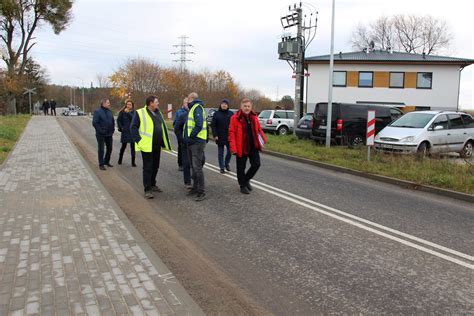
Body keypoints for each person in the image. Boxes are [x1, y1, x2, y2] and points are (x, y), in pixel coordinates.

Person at [131, 95, 172, 199]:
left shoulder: (158, 113)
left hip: (157, 145)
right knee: (148, 168)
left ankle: (153, 184)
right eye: (156, 102)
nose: (158, 103)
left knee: (155, 166)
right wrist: (138, 140)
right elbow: (133, 127)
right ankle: (147, 189)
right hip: (146, 146)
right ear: (151, 103)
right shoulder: (140, 112)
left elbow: (161, 127)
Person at [228, 98, 266, 194]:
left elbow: (258, 130)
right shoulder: (235, 118)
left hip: (253, 146)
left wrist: (262, 142)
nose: (247, 108)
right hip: (241, 147)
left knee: (256, 164)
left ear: (251, 107)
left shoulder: (254, 116)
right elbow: (231, 134)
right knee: (241, 168)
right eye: (245, 106)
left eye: (248, 106)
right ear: (241, 107)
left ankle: (246, 179)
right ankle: (242, 185)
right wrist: (233, 148)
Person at [184, 92, 207, 202]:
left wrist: (191, 136)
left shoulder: (197, 107)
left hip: (196, 142)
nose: (187, 101)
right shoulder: (193, 108)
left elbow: (199, 124)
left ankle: (201, 191)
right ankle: (195, 187)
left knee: (197, 167)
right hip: (192, 142)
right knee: (193, 166)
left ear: (191, 99)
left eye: (188, 99)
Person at [211, 98, 234, 173]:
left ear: (228, 106)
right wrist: (215, 135)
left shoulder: (231, 114)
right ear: (220, 105)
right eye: (223, 104)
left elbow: (234, 125)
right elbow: (213, 125)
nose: (224, 105)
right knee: (220, 152)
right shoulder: (216, 114)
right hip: (219, 136)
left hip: (229, 136)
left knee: (230, 151)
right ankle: (221, 167)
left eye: (226, 104)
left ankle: (226, 163)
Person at [174, 98, 192, 190]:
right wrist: (181, 139)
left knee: (199, 161)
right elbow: (176, 127)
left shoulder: (197, 115)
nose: (188, 104)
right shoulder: (181, 114)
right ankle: (187, 181)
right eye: (187, 103)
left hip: (196, 144)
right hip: (184, 142)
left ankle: (195, 177)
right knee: (186, 162)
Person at [92, 99, 115, 170]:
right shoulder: (97, 112)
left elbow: (112, 121)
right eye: (108, 103)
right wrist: (101, 131)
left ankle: (106, 161)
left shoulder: (110, 111)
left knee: (110, 148)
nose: (109, 104)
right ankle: (101, 164)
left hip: (109, 134)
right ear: (103, 103)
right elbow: (95, 123)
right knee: (101, 149)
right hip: (101, 134)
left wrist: (113, 129)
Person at [117, 99, 136, 167]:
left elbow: (134, 119)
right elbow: (119, 120)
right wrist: (121, 127)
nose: (128, 106)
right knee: (123, 147)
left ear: (132, 105)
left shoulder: (134, 112)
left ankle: (133, 162)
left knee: (133, 148)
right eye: (127, 104)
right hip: (125, 131)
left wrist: (128, 113)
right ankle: (120, 159)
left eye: (130, 104)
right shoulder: (122, 112)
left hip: (132, 132)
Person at [173, 98, 189, 171]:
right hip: (181, 134)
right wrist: (178, 134)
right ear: (183, 103)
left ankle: (189, 163)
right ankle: (181, 164)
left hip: (189, 135)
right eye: (186, 103)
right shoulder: (179, 112)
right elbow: (175, 123)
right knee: (181, 149)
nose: (187, 104)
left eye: (188, 102)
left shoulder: (192, 112)